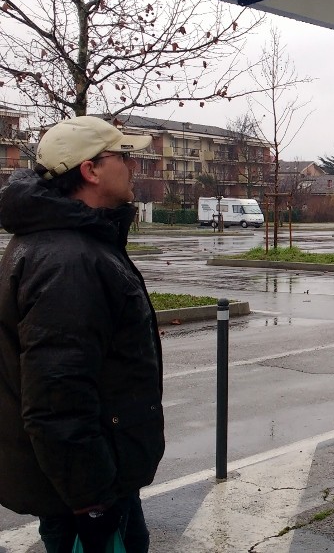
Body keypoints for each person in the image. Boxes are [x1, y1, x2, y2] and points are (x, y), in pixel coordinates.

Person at [0, 116, 164, 552]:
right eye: (124, 156)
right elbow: (57, 398)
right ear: (91, 171)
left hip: (95, 477)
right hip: (86, 492)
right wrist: (92, 502)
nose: (133, 166)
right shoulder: (68, 260)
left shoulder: (71, 242)